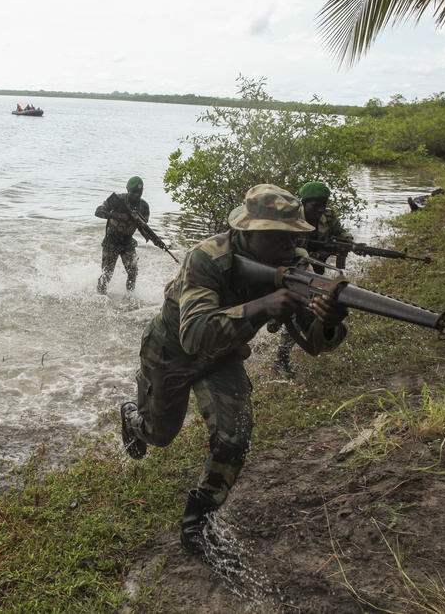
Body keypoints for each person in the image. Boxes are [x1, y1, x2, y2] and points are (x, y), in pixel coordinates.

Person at [119, 184, 349, 561]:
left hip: (223, 357)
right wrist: (261, 306)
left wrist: (328, 320)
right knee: (160, 435)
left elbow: (315, 344)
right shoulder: (206, 258)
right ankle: (133, 418)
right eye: (281, 239)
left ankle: (198, 525)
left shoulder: (295, 267)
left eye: (296, 238)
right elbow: (193, 336)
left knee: (234, 436)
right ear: (248, 233)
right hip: (171, 354)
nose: (291, 250)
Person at [272, 181, 353, 378]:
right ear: (303, 203)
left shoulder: (329, 217)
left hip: (314, 273)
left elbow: (340, 234)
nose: (320, 210)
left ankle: (281, 353)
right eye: (315, 206)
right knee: (297, 310)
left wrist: (347, 243)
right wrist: (315, 255)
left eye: (323, 205)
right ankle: (281, 356)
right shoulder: (292, 219)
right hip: (293, 271)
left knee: (305, 310)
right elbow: (288, 252)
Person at [94, 176, 150, 294]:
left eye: (139, 192)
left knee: (133, 272)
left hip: (127, 242)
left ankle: (130, 297)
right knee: (107, 274)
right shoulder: (118, 200)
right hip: (111, 240)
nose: (136, 195)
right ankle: (100, 296)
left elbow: (143, 226)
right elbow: (98, 211)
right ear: (128, 190)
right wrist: (118, 216)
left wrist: (149, 236)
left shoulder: (144, 207)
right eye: (134, 192)